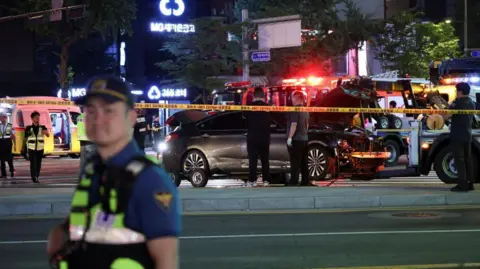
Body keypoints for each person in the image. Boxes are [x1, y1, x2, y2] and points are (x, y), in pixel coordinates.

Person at [46, 76, 180, 269]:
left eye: (109, 110)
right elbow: (82, 225)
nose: (98, 119)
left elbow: (166, 262)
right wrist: (61, 234)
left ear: (131, 117)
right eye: (90, 110)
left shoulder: (149, 180)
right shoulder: (93, 170)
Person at [443, 82, 475, 192]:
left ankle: (462, 185)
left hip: (457, 135)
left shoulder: (458, 102)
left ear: (460, 91)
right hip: (467, 134)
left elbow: (446, 116)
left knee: (459, 160)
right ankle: (470, 183)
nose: (456, 92)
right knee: (468, 159)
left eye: (457, 90)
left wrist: (440, 109)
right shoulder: (471, 102)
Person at [242, 87, 271, 187]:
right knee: (265, 160)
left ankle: (252, 181)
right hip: (265, 137)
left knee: (252, 161)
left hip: (253, 137)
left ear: (254, 96)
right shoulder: (268, 107)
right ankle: (266, 180)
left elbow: (243, 115)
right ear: (263, 96)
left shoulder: (250, 107)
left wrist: (245, 97)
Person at [286, 91, 310, 186]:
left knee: (295, 162)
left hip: (296, 139)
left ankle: (294, 181)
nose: (291, 100)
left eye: (292, 98)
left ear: (296, 99)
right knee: (304, 162)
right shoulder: (306, 110)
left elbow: (294, 124)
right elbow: (307, 125)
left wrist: (290, 137)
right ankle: (305, 181)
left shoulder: (295, 109)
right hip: (304, 139)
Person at [24, 111, 49, 183]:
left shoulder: (42, 127)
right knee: (33, 163)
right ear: (32, 119)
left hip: (40, 149)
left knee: (38, 163)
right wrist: (23, 148)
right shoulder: (28, 128)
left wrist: (46, 133)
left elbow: (48, 135)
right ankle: (33, 177)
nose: (38, 119)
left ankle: (37, 176)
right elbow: (25, 138)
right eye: (36, 117)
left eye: (38, 117)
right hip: (31, 149)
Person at [0, 113, 14, 179]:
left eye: (1, 117)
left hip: (8, 142)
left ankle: (12, 170)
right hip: (1, 143)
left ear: (5, 118)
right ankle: (3, 174)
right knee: (2, 159)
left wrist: (15, 144)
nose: (0, 119)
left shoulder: (9, 126)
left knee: (9, 158)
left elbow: (13, 136)